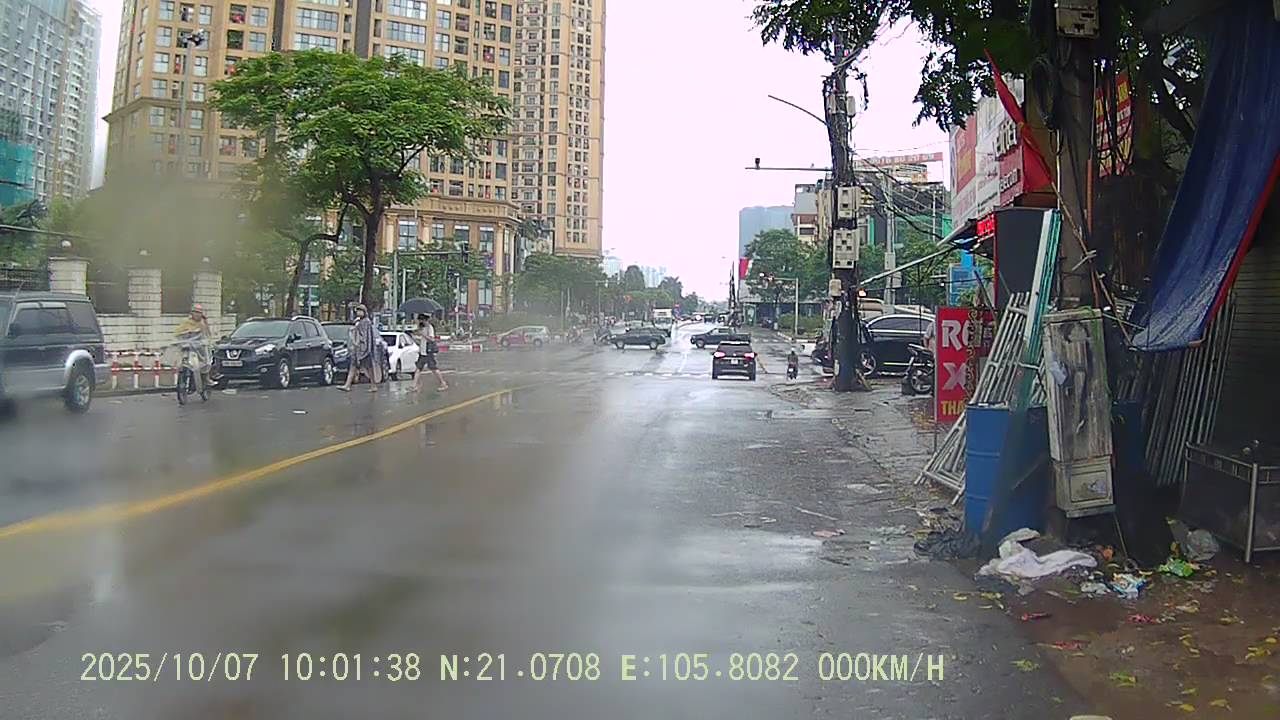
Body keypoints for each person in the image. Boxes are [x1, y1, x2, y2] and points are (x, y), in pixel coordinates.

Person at [173, 304, 212, 393]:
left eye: (199, 312)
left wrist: (204, 342)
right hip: (187, 347)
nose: (197, 314)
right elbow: (178, 333)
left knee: (205, 362)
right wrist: (178, 341)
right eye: (195, 312)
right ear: (191, 313)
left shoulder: (203, 323)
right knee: (182, 362)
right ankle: (183, 380)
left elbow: (207, 335)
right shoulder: (186, 322)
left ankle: (206, 379)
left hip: (199, 348)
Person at [340, 304, 379, 392]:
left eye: (360, 311)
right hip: (357, 348)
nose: (358, 312)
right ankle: (347, 385)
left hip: (364, 348)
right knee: (353, 366)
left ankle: (373, 385)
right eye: (357, 311)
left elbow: (365, 336)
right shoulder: (359, 321)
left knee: (369, 367)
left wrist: (363, 345)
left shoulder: (366, 322)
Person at [412, 314, 448, 392]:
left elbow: (431, 339)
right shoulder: (422, 328)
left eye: (420, 320)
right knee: (418, 369)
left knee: (434, 368)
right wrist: (416, 337)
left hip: (428, 352)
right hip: (422, 352)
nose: (419, 322)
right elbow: (422, 339)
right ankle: (414, 386)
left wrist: (423, 335)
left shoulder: (430, 328)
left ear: (424, 320)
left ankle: (443, 383)